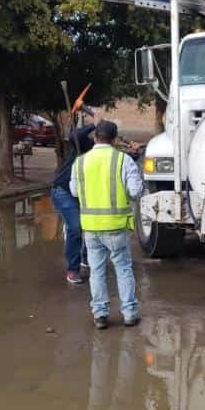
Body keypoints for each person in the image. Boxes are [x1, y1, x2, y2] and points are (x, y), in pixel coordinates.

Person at [70, 120, 143, 329]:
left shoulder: (80, 162)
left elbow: (75, 192)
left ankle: (100, 314)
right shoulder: (124, 160)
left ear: (95, 138)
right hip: (116, 226)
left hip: (91, 227)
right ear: (114, 138)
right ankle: (129, 313)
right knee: (123, 269)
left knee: (97, 271)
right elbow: (135, 191)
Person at [51, 110, 100, 284]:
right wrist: (94, 123)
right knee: (76, 226)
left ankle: (84, 257)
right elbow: (75, 135)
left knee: (88, 225)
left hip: (82, 192)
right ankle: (72, 269)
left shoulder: (105, 152)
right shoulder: (83, 146)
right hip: (63, 191)